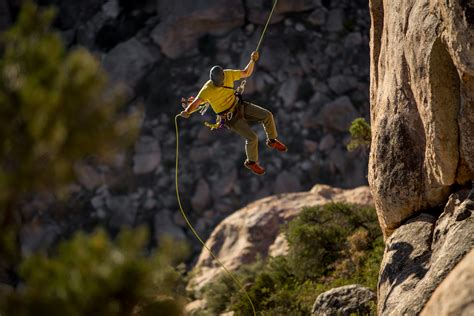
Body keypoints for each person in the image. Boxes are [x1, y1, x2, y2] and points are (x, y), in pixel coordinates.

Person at [180, 51, 287, 176]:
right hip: (229, 117)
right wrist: (187, 111)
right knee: (252, 138)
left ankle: (272, 140)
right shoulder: (207, 89)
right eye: (218, 83)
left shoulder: (228, 74)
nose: (220, 84)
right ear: (212, 81)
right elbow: (196, 103)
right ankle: (251, 162)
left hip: (238, 105)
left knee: (267, 115)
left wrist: (252, 60)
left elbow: (246, 72)